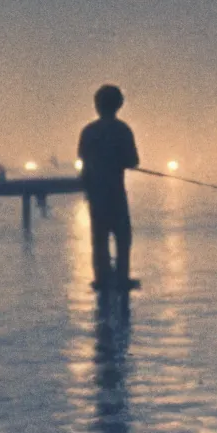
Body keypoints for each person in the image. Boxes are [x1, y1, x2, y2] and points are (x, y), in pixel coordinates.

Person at [77, 84, 140, 291]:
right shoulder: (123, 130)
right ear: (119, 105)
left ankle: (101, 279)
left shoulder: (88, 131)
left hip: (96, 194)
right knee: (123, 237)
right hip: (116, 193)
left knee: (99, 238)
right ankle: (122, 278)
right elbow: (132, 161)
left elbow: (84, 160)